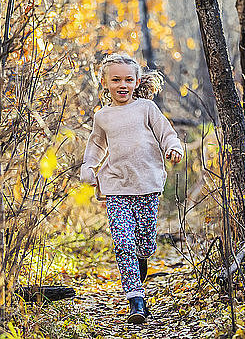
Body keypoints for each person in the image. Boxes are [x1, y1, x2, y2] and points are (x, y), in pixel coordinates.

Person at [80, 53, 184, 324]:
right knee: (124, 243)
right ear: (104, 82)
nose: (122, 85)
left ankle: (140, 265)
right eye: (115, 80)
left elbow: (166, 133)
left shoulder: (146, 108)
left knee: (145, 244)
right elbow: (96, 146)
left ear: (137, 81)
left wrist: (173, 147)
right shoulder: (102, 116)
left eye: (128, 79)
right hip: (116, 186)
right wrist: (88, 167)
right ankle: (135, 299)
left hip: (147, 184)